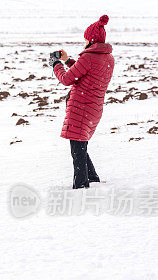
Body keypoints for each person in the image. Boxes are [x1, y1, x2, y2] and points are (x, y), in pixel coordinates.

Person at [49, 15, 114, 189]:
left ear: (90, 39)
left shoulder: (89, 58)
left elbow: (67, 79)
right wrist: (68, 60)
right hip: (93, 109)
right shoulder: (107, 58)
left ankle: (81, 186)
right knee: (81, 146)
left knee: (77, 149)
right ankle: (92, 178)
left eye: (85, 39)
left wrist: (56, 65)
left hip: (81, 108)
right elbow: (87, 70)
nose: (84, 42)